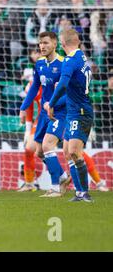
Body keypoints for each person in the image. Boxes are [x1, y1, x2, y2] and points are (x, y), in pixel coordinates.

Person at [20, 32, 71, 197]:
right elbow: (35, 86)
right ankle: (63, 176)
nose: (42, 46)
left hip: (59, 112)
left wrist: (54, 104)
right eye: (40, 43)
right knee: (39, 152)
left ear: (55, 44)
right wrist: (23, 106)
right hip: (44, 113)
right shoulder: (40, 64)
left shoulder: (65, 64)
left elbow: (70, 92)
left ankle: (55, 187)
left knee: (49, 146)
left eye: (46, 43)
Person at [47, 29, 95, 202]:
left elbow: (63, 85)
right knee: (67, 152)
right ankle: (79, 193)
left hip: (80, 112)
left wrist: (51, 103)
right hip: (74, 111)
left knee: (75, 152)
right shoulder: (81, 56)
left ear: (62, 43)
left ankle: (84, 193)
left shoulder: (69, 60)